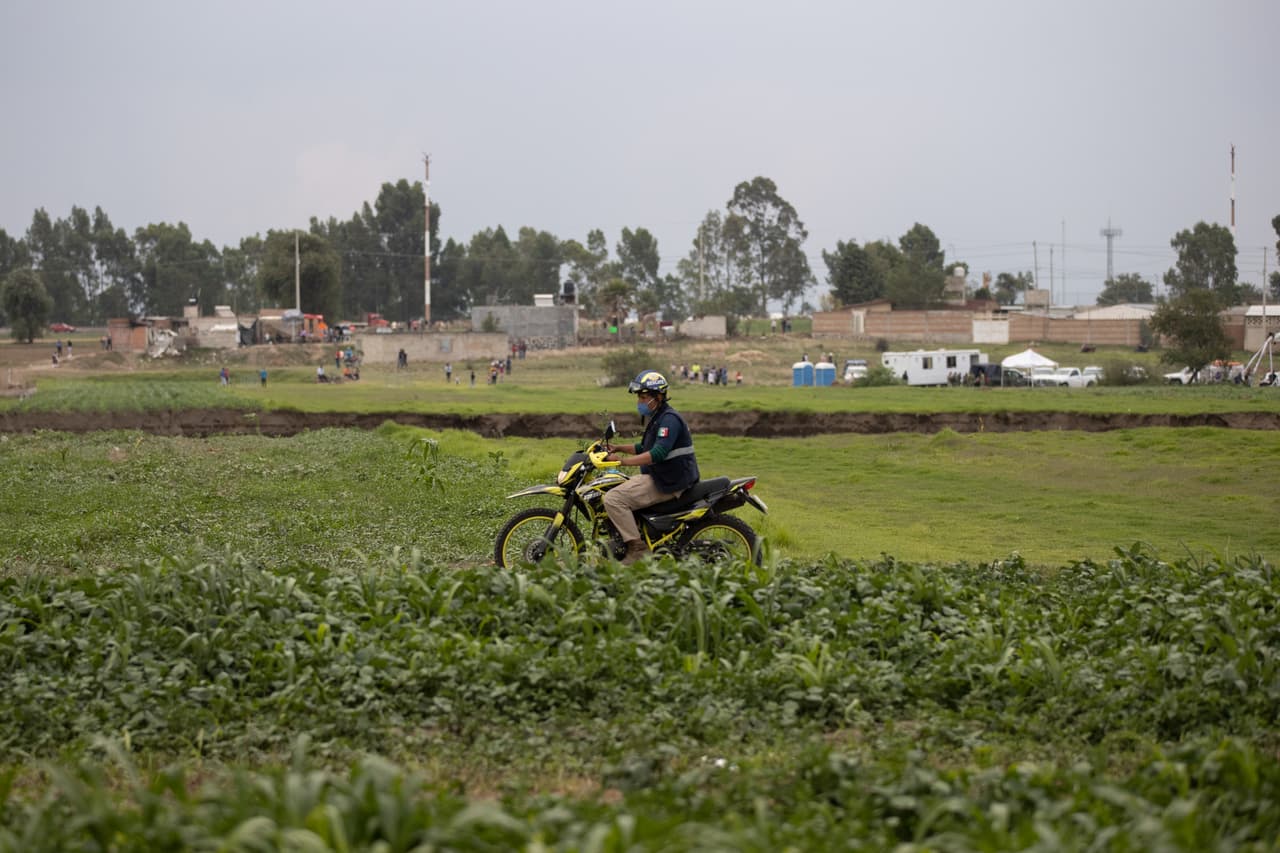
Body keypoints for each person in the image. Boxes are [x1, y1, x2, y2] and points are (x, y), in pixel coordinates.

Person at [602, 370, 700, 565]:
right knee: (614, 486)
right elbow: (645, 447)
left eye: (644, 397)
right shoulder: (659, 417)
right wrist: (619, 447)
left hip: (669, 481)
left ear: (658, 397)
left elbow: (657, 454)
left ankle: (637, 549)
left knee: (613, 499)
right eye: (639, 396)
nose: (640, 401)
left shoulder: (669, 420)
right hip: (663, 476)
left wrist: (620, 461)